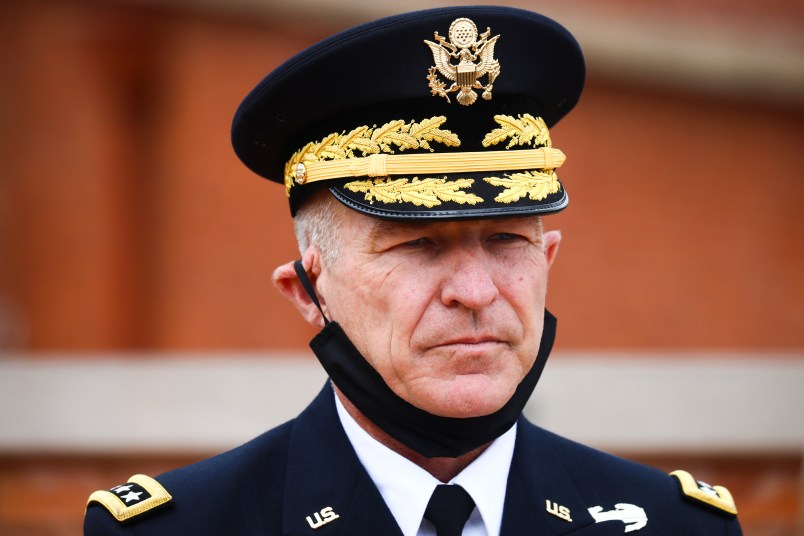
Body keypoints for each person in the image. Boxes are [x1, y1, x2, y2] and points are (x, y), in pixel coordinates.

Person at [84, 6, 742, 535]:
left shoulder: (675, 525)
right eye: (417, 246)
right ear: (308, 291)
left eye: (507, 239)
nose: (477, 292)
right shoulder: (185, 526)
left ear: (548, 260)